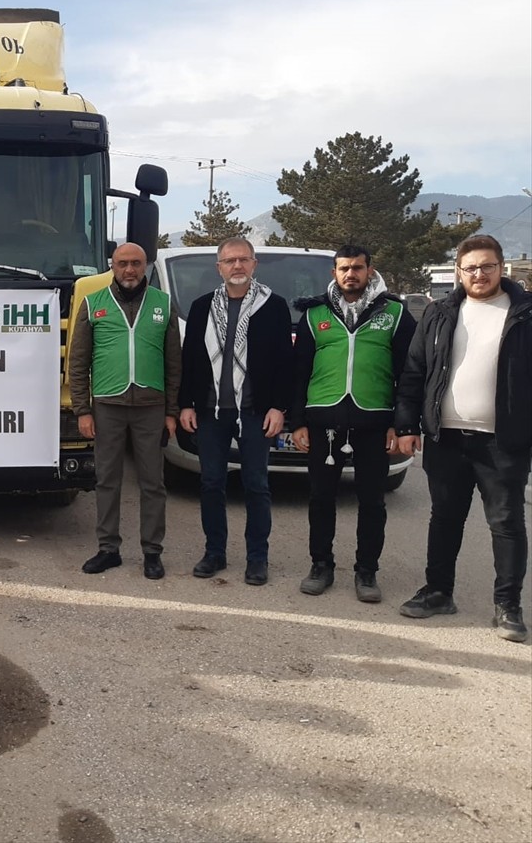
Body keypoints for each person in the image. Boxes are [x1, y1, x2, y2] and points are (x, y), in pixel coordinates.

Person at [395, 235, 532, 643]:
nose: (479, 274)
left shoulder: (524, 313)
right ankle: (438, 592)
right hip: (447, 437)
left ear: (501, 268)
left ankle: (508, 605)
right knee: (445, 518)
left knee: (506, 522)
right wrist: (406, 426)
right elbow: (414, 373)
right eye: (471, 267)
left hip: (502, 441)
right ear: (459, 271)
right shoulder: (439, 313)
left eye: (487, 266)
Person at [291, 244, 416, 602]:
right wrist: (297, 422)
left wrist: (401, 423)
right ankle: (321, 565)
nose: (350, 274)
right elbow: (299, 372)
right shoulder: (314, 314)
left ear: (369, 270)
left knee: (372, 502)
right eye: (344, 268)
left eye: (357, 268)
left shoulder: (394, 313)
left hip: (374, 422)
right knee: (320, 498)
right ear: (334, 272)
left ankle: (366, 572)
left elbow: (408, 373)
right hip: (324, 422)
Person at [178, 237, 294, 585]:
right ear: (220, 268)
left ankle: (258, 558)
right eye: (230, 261)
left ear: (254, 264)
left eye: (244, 259)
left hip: (256, 412)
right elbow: (191, 361)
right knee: (212, 483)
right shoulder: (201, 308)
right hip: (212, 412)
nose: (237, 266)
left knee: (256, 485)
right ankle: (215, 552)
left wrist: (279, 407)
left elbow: (284, 363)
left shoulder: (273, 306)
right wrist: (186, 403)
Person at [69, 242, 181, 577]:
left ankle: (152, 552)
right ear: (112, 266)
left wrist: (171, 410)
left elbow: (174, 362)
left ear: (146, 265)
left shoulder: (163, 303)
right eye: (122, 264)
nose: (129, 270)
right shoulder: (94, 303)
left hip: (151, 405)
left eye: (135, 263)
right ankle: (108, 549)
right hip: (107, 406)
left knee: (152, 482)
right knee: (107, 480)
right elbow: (78, 362)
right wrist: (82, 410)